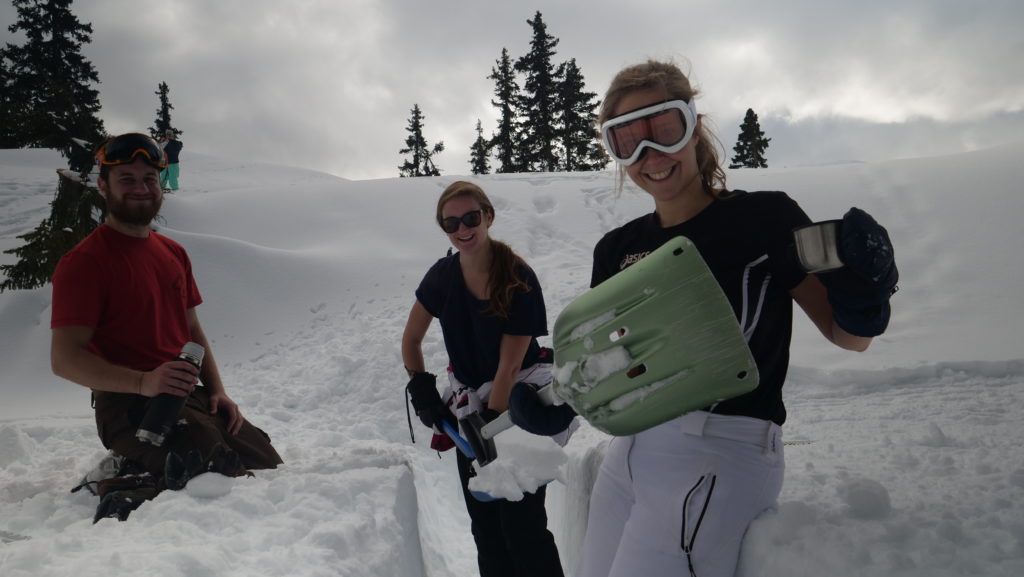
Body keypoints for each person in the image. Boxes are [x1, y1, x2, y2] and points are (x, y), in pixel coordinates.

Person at [509, 59, 899, 577]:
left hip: (722, 450)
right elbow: (611, 362)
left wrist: (864, 294)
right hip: (631, 451)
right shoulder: (617, 249)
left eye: (664, 129)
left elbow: (846, 335)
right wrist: (559, 400)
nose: (651, 155)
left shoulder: (763, 218)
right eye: (628, 140)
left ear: (693, 126)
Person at [51, 132, 282, 521]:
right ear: (103, 186)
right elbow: (65, 359)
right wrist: (144, 383)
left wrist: (219, 392)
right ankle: (124, 478)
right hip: (127, 406)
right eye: (127, 179)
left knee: (266, 462)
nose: (141, 188)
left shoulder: (173, 253)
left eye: (149, 179)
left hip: (184, 393)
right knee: (219, 474)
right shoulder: (84, 263)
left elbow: (192, 329)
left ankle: (148, 466)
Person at [401, 181, 566, 577]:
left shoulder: (518, 278)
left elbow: (508, 368)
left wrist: (488, 431)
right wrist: (421, 387)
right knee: (486, 527)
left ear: (488, 216)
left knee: (523, 527)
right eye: (451, 222)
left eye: (471, 218)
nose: (462, 229)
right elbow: (411, 338)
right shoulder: (441, 277)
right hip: (470, 410)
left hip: (518, 410)